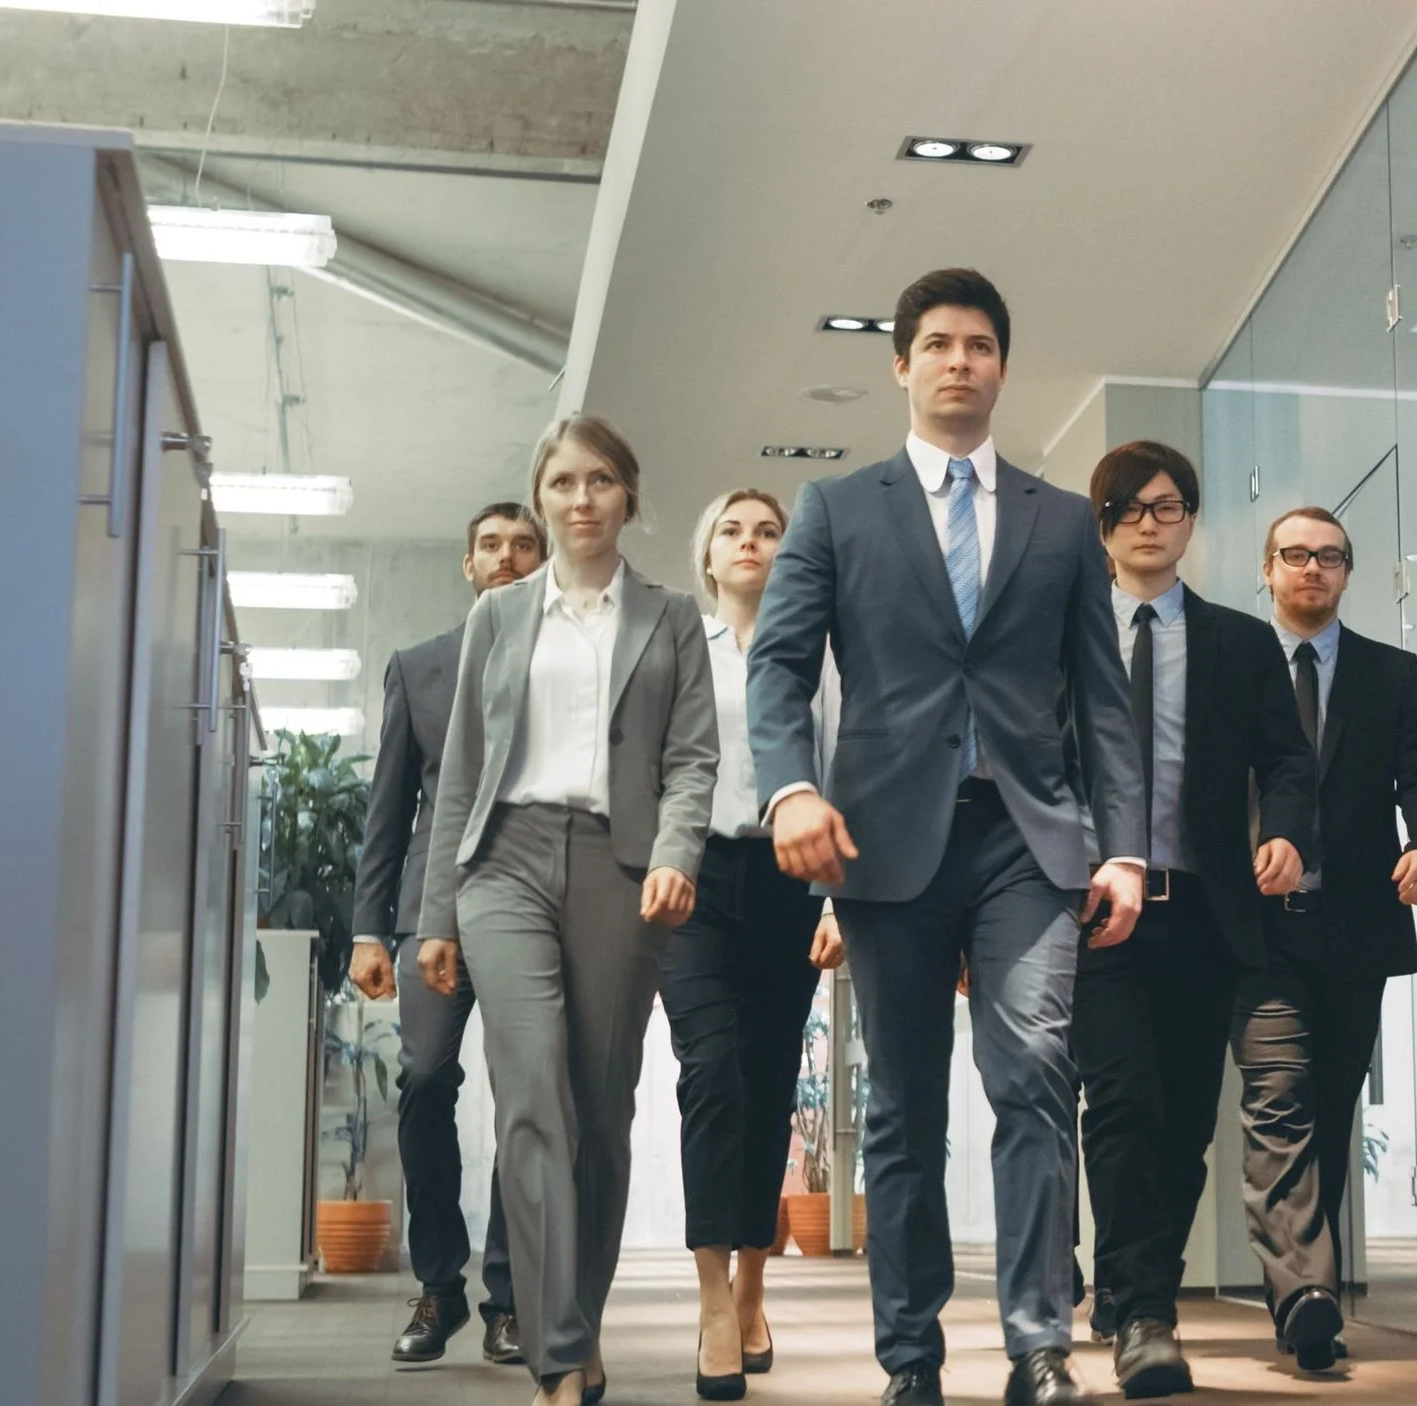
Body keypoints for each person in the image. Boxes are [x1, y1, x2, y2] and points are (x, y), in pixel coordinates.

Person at [748, 267, 1146, 1406]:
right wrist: (789, 790)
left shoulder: (1062, 518)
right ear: (902, 366)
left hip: (1029, 834)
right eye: (936, 343)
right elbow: (778, 665)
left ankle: (1037, 1342)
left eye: (978, 343)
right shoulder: (838, 507)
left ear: (1002, 366)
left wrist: (1121, 846)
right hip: (885, 841)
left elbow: (1101, 697)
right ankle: (910, 1355)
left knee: (1032, 1076)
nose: (958, 360)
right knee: (903, 1105)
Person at [414, 413, 720, 1406]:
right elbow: (459, 772)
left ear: (628, 495)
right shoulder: (500, 618)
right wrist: (437, 916)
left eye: (599, 481)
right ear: (541, 500)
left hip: (620, 868)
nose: (580, 499)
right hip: (504, 862)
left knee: (599, 1108)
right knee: (531, 1091)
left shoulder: (669, 616)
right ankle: (557, 1352)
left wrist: (675, 854)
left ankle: (579, 1325)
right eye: (562, 483)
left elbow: (692, 758)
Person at [1073, 442, 1315, 1398]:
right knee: (1122, 1102)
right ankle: (1143, 1312)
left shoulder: (1239, 643)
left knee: (1181, 1130)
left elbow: (1288, 762)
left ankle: (1140, 1288)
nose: (1147, 520)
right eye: (1128, 507)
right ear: (1103, 524)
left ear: (1190, 520)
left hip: (1204, 915)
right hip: (1095, 915)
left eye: (1166, 506)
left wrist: (1287, 833)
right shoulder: (1069, 634)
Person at [1237, 506, 1417, 1375]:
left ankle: (1301, 1293)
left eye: (1330, 558)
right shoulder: (1238, 664)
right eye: (1295, 556)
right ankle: (1306, 1295)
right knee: (1278, 1093)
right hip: (1258, 927)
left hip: (1354, 926)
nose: (1312, 570)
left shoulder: (1389, 672)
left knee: (1328, 1109)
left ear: (1348, 573)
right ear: (1268, 569)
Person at [348, 501, 544, 1367]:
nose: (506, 557)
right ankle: (439, 1285)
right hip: (433, 911)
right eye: (491, 545)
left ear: (542, 561)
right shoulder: (420, 667)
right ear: (468, 564)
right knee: (426, 1081)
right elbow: (387, 810)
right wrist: (365, 929)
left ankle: (508, 1297)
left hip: (538, 905)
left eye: (522, 545)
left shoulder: (567, 661)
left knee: (524, 1100)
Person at [668, 487, 848, 1401]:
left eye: (769, 531)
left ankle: (752, 1286)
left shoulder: (819, 659)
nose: (751, 543)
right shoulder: (677, 654)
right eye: (732, 530)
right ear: (708, 558)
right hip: (693, 880)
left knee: (771, 1078)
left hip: (787, 881)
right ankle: (709, 1300)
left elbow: (839, 771)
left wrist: (832, 902)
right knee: (712, 1075)